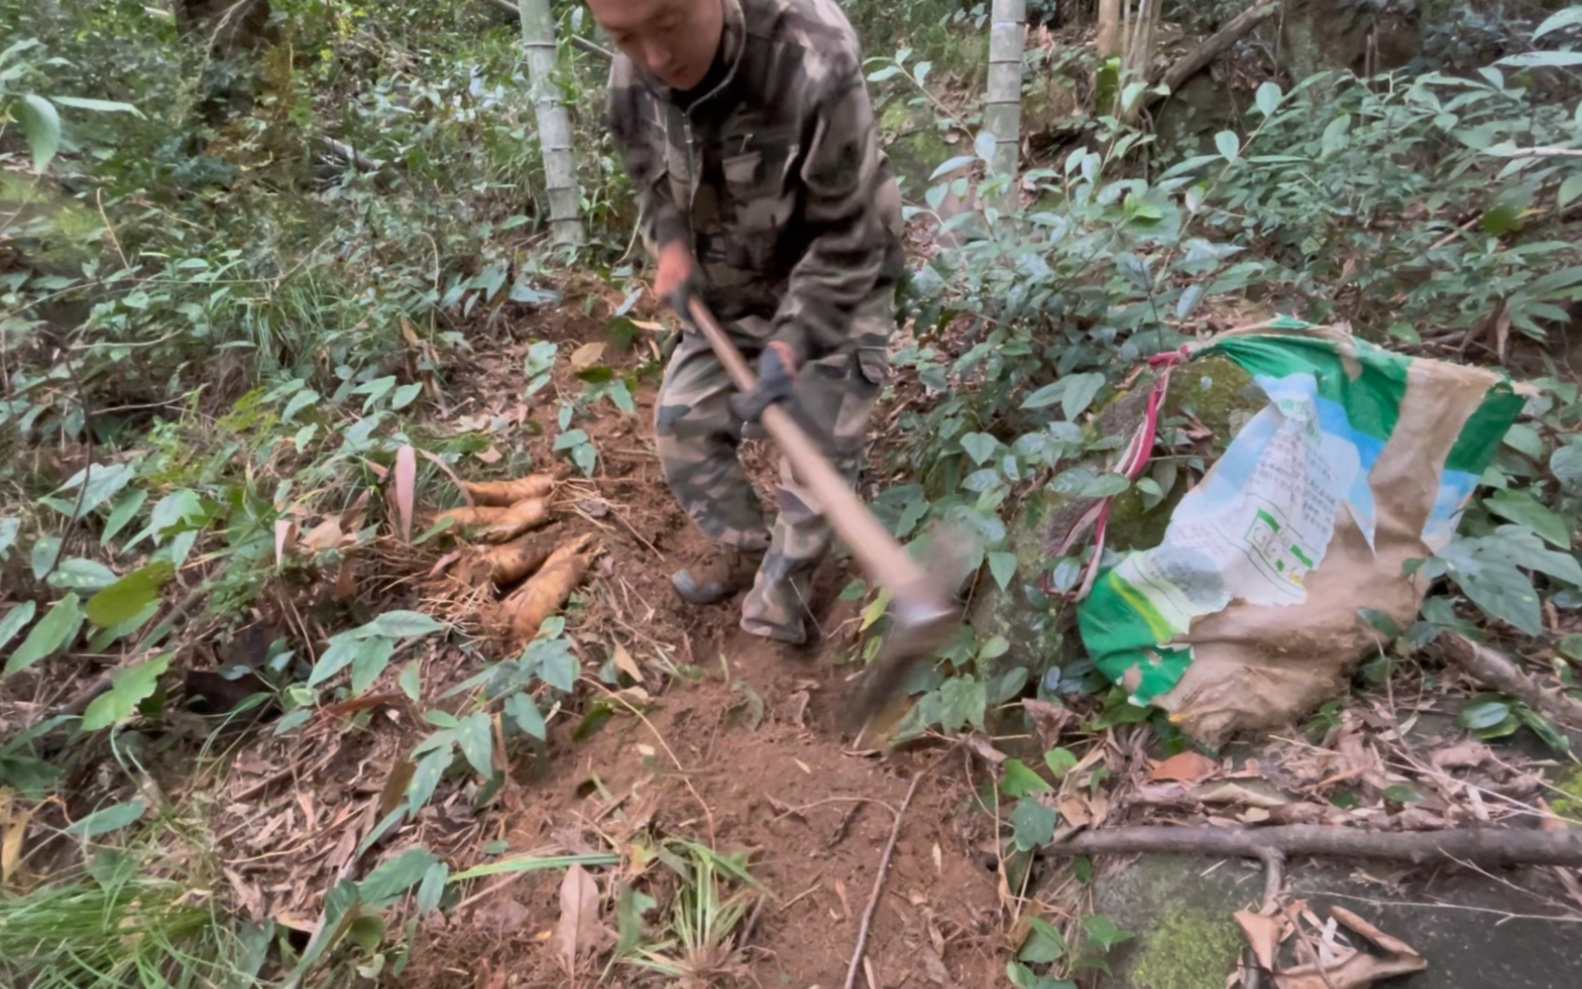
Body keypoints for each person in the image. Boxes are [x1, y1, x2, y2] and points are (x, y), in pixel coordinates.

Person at [588, 0, 904, 646]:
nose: (654, 56)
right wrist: (671, 245)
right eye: (624, 37)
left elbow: (851, 232)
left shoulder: (814, 55)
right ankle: (743, 546)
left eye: (669, 23)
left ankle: (783, 597)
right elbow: (649, 183)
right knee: (682, 422)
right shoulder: (631, 81)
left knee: (814, 445)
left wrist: (792, 346)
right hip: (731, 288)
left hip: (837, 284)